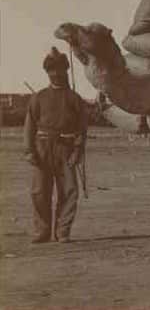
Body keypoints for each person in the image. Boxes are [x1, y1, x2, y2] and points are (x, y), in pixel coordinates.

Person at [24, 47, 88, 243]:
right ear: (47, 72)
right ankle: (41, 232)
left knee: (69, 191)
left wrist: (77, 151)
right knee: (39, 191)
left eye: (60, 70)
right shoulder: (38, 97)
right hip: (42, 148)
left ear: (66, 71)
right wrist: (29, 151)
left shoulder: (75, 99)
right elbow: (29, 126)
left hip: (66, 149)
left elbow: (81, 129)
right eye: (52, 70)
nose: (56, 74)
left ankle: (62, 232)